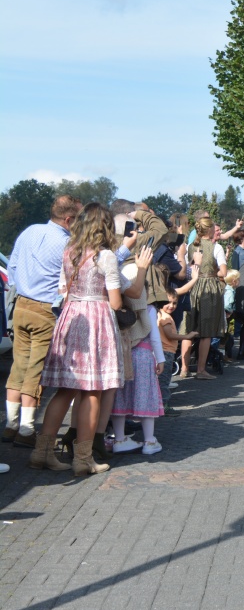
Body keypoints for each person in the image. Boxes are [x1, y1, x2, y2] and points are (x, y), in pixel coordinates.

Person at [31, 203, 125, 476]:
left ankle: (42, 452)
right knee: (92, 391)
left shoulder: (69, 252)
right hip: (95, 319)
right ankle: (83, 459)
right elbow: (116, 302)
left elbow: (63, 289)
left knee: (65, 390)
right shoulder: (105, 256)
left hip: (71, 317)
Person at [4, 195, 81, 446]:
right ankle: (26, 430)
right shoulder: (68, 243)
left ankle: (10, 424)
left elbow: (12, 267)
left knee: (19, 365)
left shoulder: (30, 231)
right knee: (35, 370)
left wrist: (24, 288)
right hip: (45, 309)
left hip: (21, 305)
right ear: (68, 219)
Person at [110, 252, 167, 456]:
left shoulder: (114, 309)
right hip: (143, 356)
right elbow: (153, 337)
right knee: (145, 397)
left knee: (119, 398)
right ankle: (149, 441)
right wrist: (160, 358)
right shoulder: (148, 309)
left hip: (121, 356)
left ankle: (119, 438)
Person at [187, 217, 228, 379]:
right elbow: (224, 273)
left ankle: (184, 368)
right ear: (210, 230)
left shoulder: (190, 246)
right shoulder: (216, 247)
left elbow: (187, 268)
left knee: (189, 328)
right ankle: (201, 370)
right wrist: (211, 272)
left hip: (192, 285)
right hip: (209, 288)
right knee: (206, 332)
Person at [157, 289, 195, 416]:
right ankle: (163, 406)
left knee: (160, 381)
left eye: (174, 303)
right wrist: (187, 336)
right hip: (166, 352)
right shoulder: (166, 317)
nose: (171, 306)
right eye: (168, 302)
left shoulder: (158, 314)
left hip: (162, 352)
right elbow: (170, 335)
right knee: (164, 381)